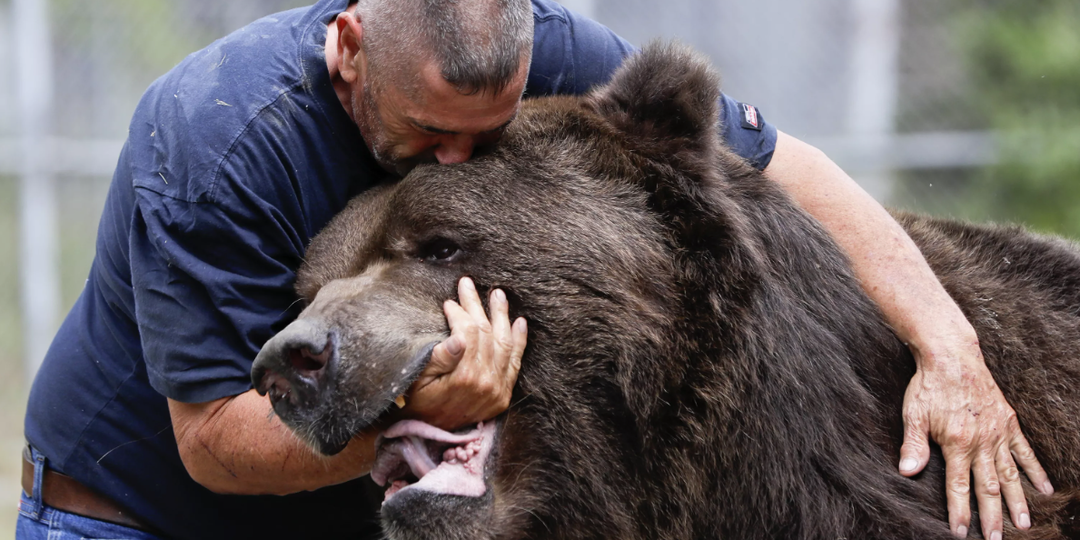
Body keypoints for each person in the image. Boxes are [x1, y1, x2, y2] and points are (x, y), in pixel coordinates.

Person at [18, 0, 1051, 538]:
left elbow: (784, 164)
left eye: (490, 131)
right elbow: (209, 444)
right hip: (135, 516)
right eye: (430, 134)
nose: (464, 158)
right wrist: (428, 409)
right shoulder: (215, 145)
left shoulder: (536, 50)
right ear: (347, 51)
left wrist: (949, 346)